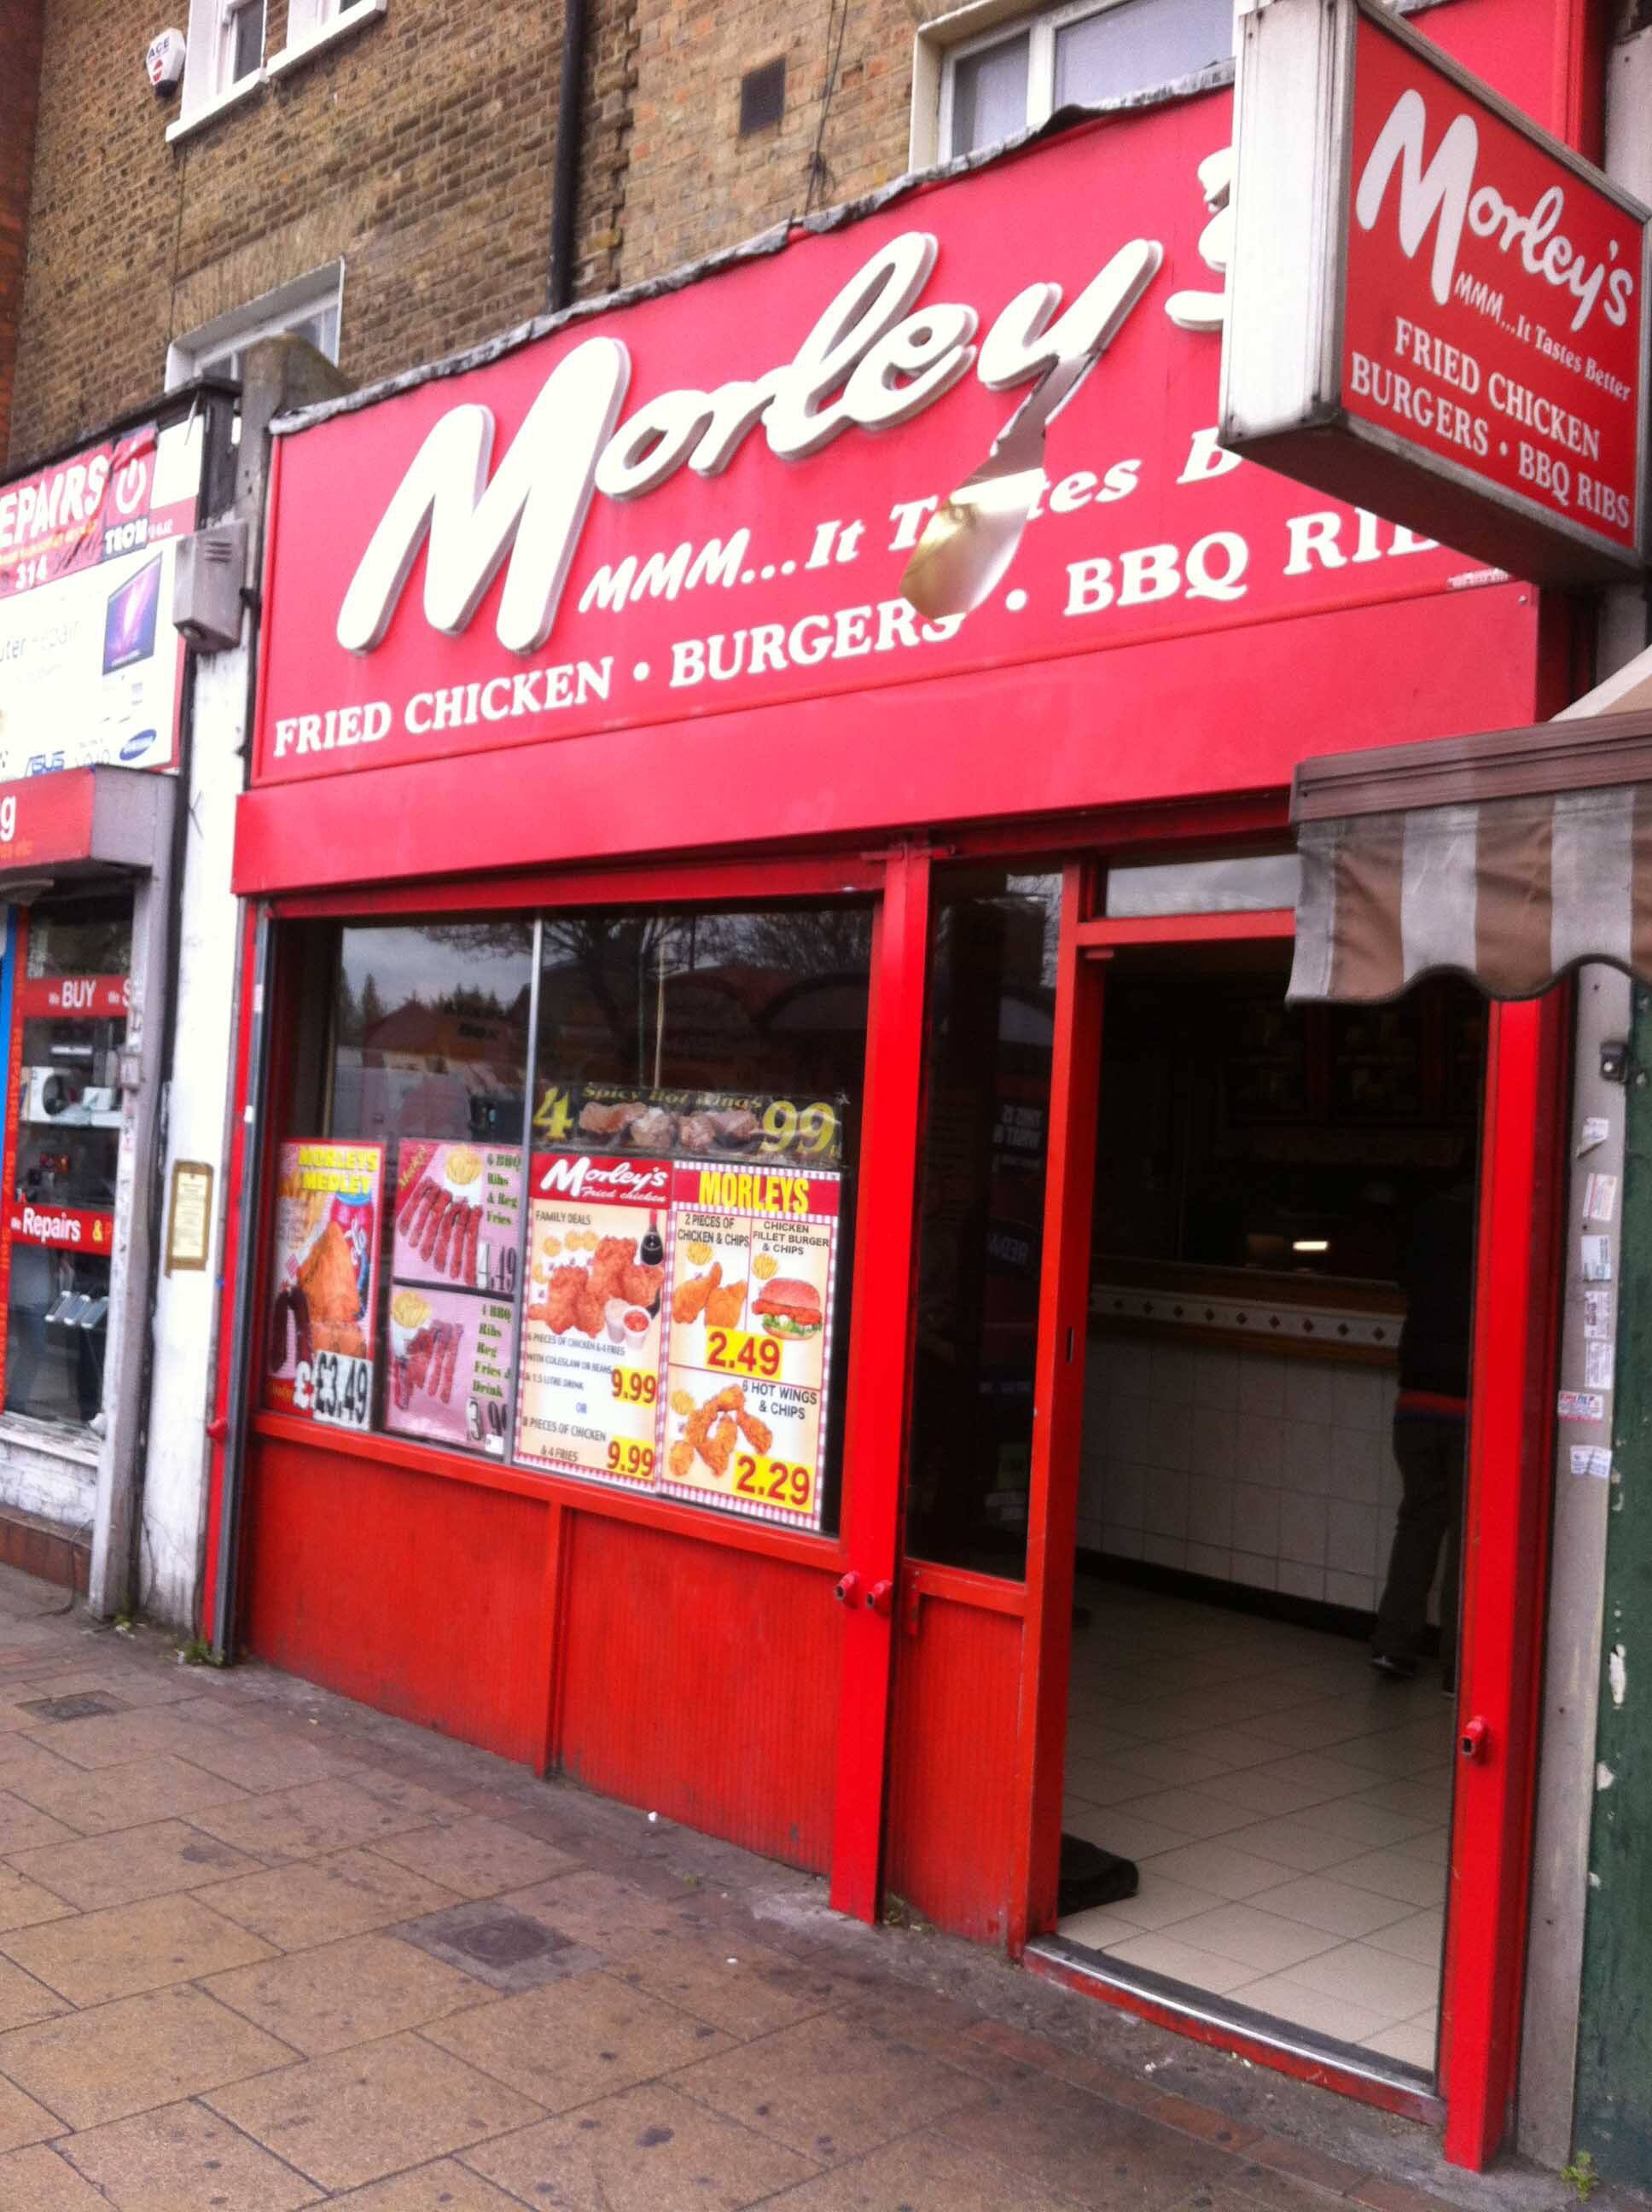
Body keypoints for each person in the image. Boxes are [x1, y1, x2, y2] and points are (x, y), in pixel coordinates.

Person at [1371, 1179, 1475, 1690]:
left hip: (1414, 1401)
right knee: (1466, 1535)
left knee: (1416, 1524)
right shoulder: (1495, 1221)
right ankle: (1459, 1667)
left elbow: (1401, 1281)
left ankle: (1394, 1646)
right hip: (1468, 1403)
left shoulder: (1423, 1218)